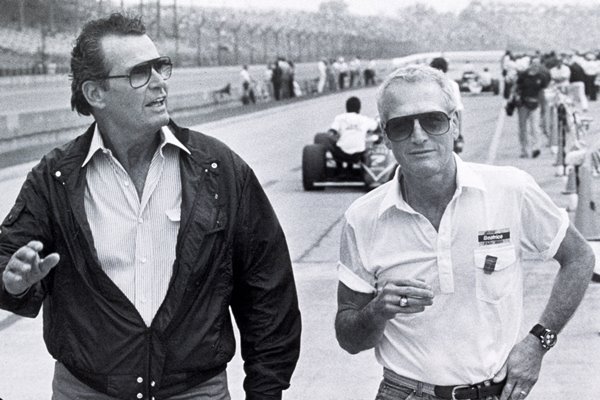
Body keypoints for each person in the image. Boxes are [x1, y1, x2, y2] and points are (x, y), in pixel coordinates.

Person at [0, 13, 301, 400]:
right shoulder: (55, 177)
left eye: (160, 66)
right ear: (96, 94)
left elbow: (268, 291)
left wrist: (266, 390)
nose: (160, 81)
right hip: (87, 391)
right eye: (140, 73)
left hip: (196, 391)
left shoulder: (219, 169)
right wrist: (12, 281)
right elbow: (9, 260)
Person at [335, 64, 594, 400]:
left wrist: (538, 342)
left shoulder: (510, 190)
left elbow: (579, 257)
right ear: (385, 135)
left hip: (494, 392)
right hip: (404, 392)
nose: (418, 136)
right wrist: (377, 310)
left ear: (454, 123)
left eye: (433, 121)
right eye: (401, 125)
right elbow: (349, 338)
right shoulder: (363, 218)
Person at [324, 96, 378, 175]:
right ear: (359, 108)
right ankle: (359, 168)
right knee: (370, 142)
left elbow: (332, 131)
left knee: (327, 140)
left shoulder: (340, 118)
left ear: (346, 108)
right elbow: (376, 127)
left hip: (342, 154)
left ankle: (339, 168)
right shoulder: (365, 119)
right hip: (358, 154)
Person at [515, 57, 550, 158]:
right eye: (534, 64)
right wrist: (516, 97)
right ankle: (524, 149)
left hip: (535, 104)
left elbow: (542, 92)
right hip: (523, 104)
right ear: (530, 64)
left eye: (537, 64)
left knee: (535, 127)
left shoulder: (541, 77)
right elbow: (517, 87)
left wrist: (543, 106)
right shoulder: (523, 75)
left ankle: (536, 148)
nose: (536, 66)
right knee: (523, 128)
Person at [430, 57, 465, 154]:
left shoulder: (427, 86)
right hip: (447, 122)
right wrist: (459, 131)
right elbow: (458, 110)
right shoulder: (453, 85)